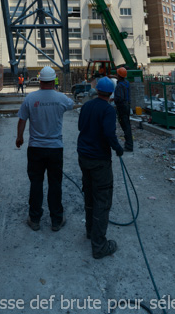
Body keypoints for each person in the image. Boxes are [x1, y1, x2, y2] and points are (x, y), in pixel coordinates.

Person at [16, 66, 75, 232]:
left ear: (40, 80)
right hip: (55, 148)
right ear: (54, 80)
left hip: (35, 148)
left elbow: (22, 119)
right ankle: (56, 220)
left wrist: (19, 137)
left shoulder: (31, 98)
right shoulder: (61, 98)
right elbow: (71, 105)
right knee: (55, 184)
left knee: (36, 183)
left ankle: (34, 219)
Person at [77, 77, 124, 259]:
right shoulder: (108, 110)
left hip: (84, 157)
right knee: (102, 200)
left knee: (89, 195)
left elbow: (81, 126)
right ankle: (99, 245)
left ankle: (90, 231)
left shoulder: (87, 106)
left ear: (97, 91)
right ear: (110, 93)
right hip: (99, 160)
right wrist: (118, 149)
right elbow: (108, 134)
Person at [114, 67, 133, 152]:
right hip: (127, 106)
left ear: (119, 75)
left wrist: (114, 100)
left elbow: (119, 97)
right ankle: (128, 144)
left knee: (125, 126)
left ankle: (129, 146)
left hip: (122, 107)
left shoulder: (119, 85)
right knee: (127, 125)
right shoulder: (126, 83)